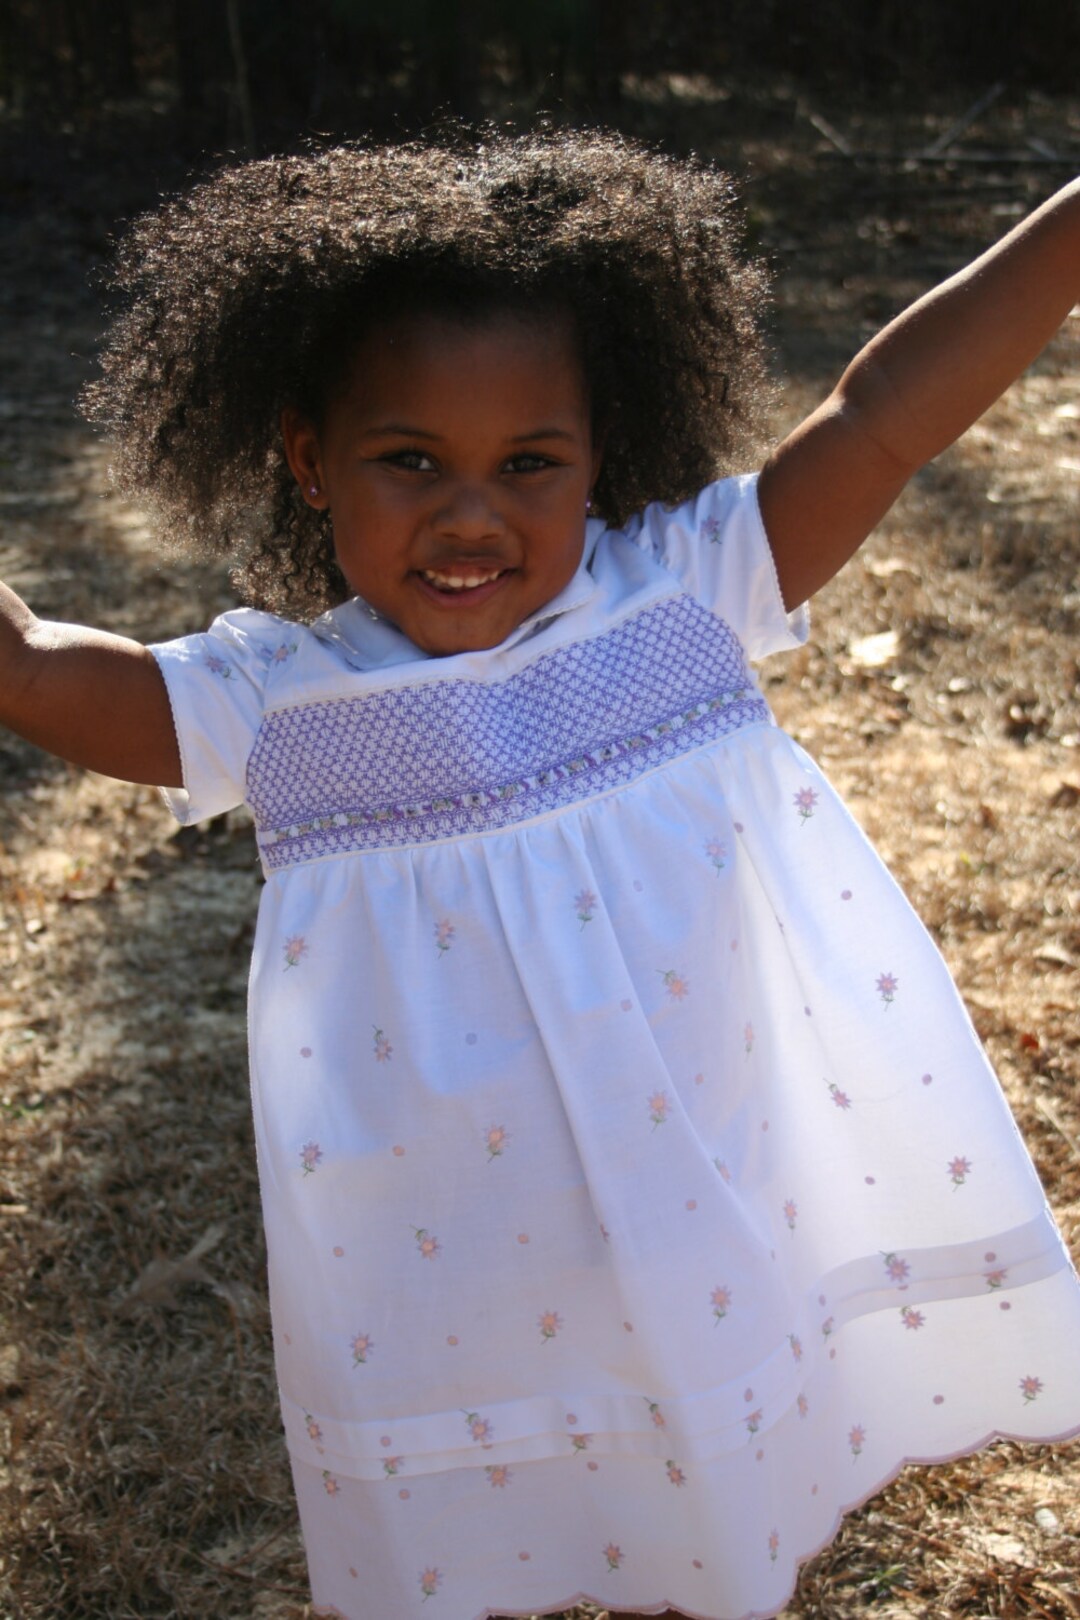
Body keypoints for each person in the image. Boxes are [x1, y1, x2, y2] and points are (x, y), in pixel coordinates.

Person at [2, 128, 1078, 1620]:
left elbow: (883, 417)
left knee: (710, 1480)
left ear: (600, 451)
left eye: (530, 463)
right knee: (528, 1512)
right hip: (465, 1248)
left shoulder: (684, 596)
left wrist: (1071, 229)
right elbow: (40, 674)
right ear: (308, 459)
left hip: (697, 1178)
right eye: (409, 461)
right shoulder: (280, 709)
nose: (471, 513)